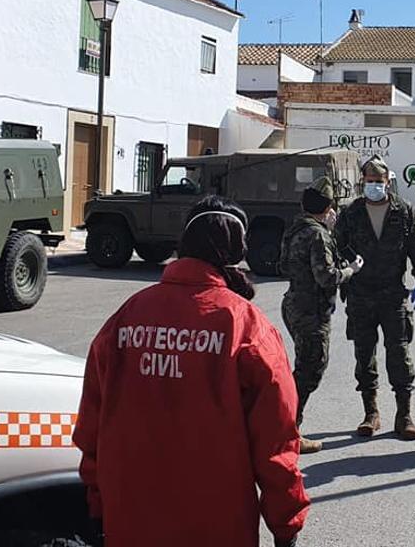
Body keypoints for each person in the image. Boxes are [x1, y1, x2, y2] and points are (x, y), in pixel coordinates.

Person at [73, 196, 308, 547]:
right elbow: (276, 444)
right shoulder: (246, 327)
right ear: (235, 252)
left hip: (130, 522)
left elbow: (91, 428)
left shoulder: (126, 318)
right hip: (216, 526)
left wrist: (97, 505)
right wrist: (285, 524)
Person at [334, 156, 415, 440]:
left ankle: (404, 415)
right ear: (362, 182)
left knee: (399, 354)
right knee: (364, 355)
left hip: (393, 295)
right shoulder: (351, 212)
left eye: (379, 182)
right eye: (370, 181)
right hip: (360, 294)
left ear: (388, 182)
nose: (375, 186)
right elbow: (336, 246)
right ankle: (371, 413)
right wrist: (345, 269)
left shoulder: (404, 211)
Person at [279, 176, 364, 454]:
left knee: (305, 366)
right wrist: (351, 269)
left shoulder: (295, 229)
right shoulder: (317, 234)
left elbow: (283, 266)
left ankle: (285, 426)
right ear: (327, 208)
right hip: (310, 310)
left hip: (293, 304)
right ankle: (288, 430)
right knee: (310, 370)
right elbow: (326, 277)